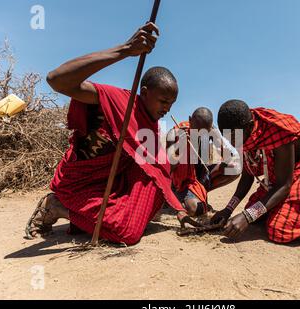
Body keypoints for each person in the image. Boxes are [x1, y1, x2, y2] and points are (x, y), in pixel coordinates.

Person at [25, 22, 189, 245]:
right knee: (127, 234)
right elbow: (57, 79)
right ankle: (56, 207)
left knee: (154, 176)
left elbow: (159, 170)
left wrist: (179, 211)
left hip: (109, 185)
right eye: (163, 101)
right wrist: (124, 50)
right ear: (144, 93)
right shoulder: (115, 100)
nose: (167, 109)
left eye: (172, 103)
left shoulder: (149, 127)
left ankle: (96, 217)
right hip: (79, 185)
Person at [211, 100, 300, 243]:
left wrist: (247, 216)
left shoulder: (275, 131)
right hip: (287, 175)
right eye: (227, 136)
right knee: (256, 213)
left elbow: (283, 186)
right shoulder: (245, 135)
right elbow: (247, 177)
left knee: (280, 229)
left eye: (234, 136)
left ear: (249, 126)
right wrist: (228, 209)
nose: (232, 142)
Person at [167, 107, 240, 217]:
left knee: (235, 169)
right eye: (196, 130)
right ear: (190, 120)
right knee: (194, 209)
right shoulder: (175, 133)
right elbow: (168, 168)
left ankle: (199, 193)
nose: (200, 135)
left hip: (201, 178)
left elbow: (228, 156)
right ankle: (177, 197)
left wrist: (218, 141)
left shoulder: (212, 132)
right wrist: (179, 149)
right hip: (182, 182)